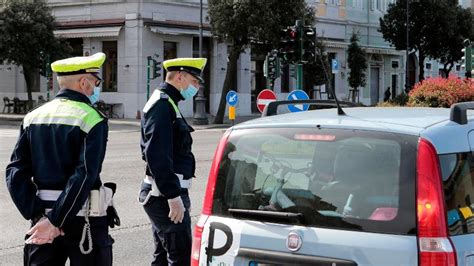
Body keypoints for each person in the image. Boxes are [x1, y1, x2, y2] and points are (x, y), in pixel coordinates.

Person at [5, 52, 118, 265]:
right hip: (84, 218)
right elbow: (84, 174)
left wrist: (40, 216)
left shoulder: (32, 117)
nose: (96, 88)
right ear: (84, 82)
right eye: (96, 82)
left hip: (42, 218)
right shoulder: (92, 118)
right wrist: (56, 220)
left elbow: (15, 172)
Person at [139, 57, 207, 265]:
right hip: (164, 194)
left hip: (164, 192)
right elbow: (157, 154)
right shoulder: (162, 105)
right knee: (180, 256)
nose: (196, 87)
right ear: (180, 77)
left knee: (162, 256)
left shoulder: (168, 102)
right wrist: (172, 196)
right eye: (195, 82)